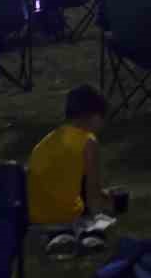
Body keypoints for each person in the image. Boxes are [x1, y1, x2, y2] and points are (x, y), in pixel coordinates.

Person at [28, 85, 113, 254]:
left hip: (35, 216)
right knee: (95, 223)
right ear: (94, 116)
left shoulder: (47, 141)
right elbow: (91, 191)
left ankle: (56, 237)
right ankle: (84, 236)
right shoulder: (88, 142)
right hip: (65, 216)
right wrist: (101, 213)